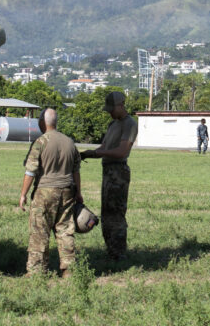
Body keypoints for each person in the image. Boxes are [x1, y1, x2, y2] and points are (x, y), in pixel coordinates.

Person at [18, 108, 82, 277]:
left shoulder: (40, 142)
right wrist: (79, 192)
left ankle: (37, 272)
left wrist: (23, 194)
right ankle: (69, 270)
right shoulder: (70, 142)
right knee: (65, 230)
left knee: (40, 231)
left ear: (42, 122)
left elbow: (30, 171)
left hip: (44, 192)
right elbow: (76, 171)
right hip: (68, 190)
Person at [80, 90, 137, 261]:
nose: (110, 112)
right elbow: (103, 148)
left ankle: (118, 254)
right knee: (106, 213)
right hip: (107, 171)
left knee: (116, 214)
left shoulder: (129, 124)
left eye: (112, 109)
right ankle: (110, 251)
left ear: (121, 105)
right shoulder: (112, 125)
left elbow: (122, 151)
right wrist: (86, 154)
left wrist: (96, 154)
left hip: (118, 171)